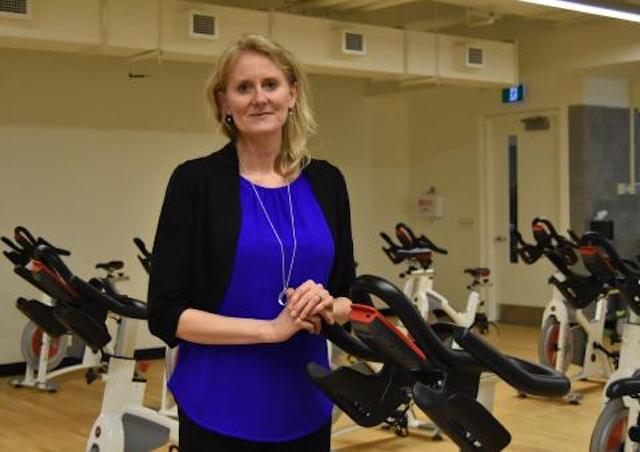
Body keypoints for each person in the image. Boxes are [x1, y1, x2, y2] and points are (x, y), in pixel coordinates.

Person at [147, 33, 356, 452]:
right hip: (218, 405)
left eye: (271, 85)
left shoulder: (328, 181)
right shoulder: (195, 183)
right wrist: (271, 330)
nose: (259, 98)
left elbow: (349, 295)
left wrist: (325, 307)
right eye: (244, 88)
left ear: (292, 94)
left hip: (307, 398)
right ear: (224, 103)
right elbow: (166, 313)